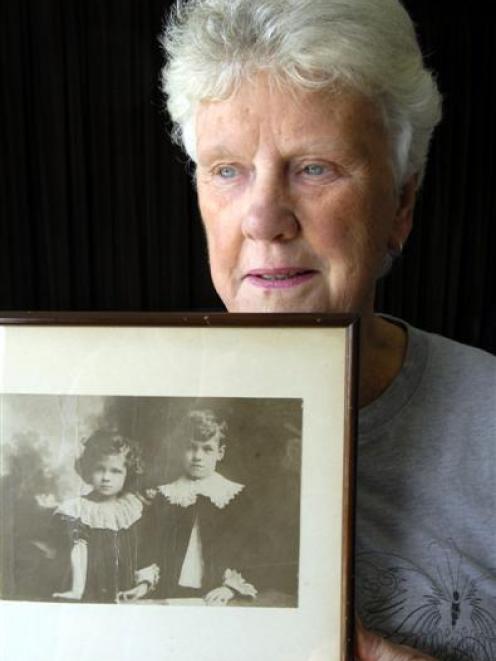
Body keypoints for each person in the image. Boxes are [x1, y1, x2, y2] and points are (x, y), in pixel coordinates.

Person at [158, 0, 496, 659]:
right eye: (228, 170)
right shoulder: (105, 408)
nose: (262, 218)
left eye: (314, 167)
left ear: (401, 203)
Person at [120, 409, 258, 605]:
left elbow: (247, 549)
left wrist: (230, 588)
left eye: (207, 449)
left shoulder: (232, 496)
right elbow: (150, 546)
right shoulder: (166, 495)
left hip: (216, 594)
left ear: (220, 453)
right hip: (170, 592)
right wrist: (144, 584)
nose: (197, 456)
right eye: (191, 447)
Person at [52, 429, 144, 603]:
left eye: (115, 471)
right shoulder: (77, 510)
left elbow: (143, 551)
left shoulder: (132, 509)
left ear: (128, 473)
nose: (106, 478)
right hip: (88, 593)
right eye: (99, 469)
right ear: (88, 469)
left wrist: (142, 586)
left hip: (125, 594)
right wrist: (77, 590)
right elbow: (77, 551)